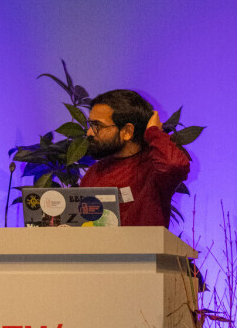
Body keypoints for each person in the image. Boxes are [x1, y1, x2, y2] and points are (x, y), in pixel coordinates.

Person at [80, 89, 190, 228]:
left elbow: (174, 165)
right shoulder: (94, 172)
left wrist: (154, 132)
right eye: (90, 125)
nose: (89, 133)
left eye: (97, 126)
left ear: (127, 131)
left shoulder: (153, 167)